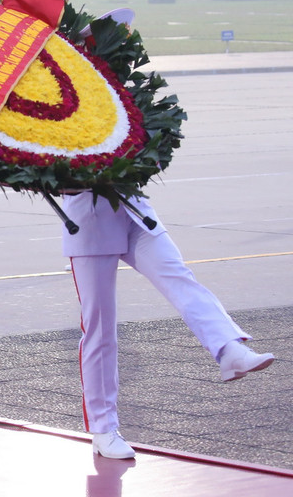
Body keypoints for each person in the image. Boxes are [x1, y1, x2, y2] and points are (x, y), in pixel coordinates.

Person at [60, 192, 275, 459]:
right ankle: (103, 430)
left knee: (179, 279)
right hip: (88, 223)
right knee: (100, 328)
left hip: (134, 213)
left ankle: (229, 350)